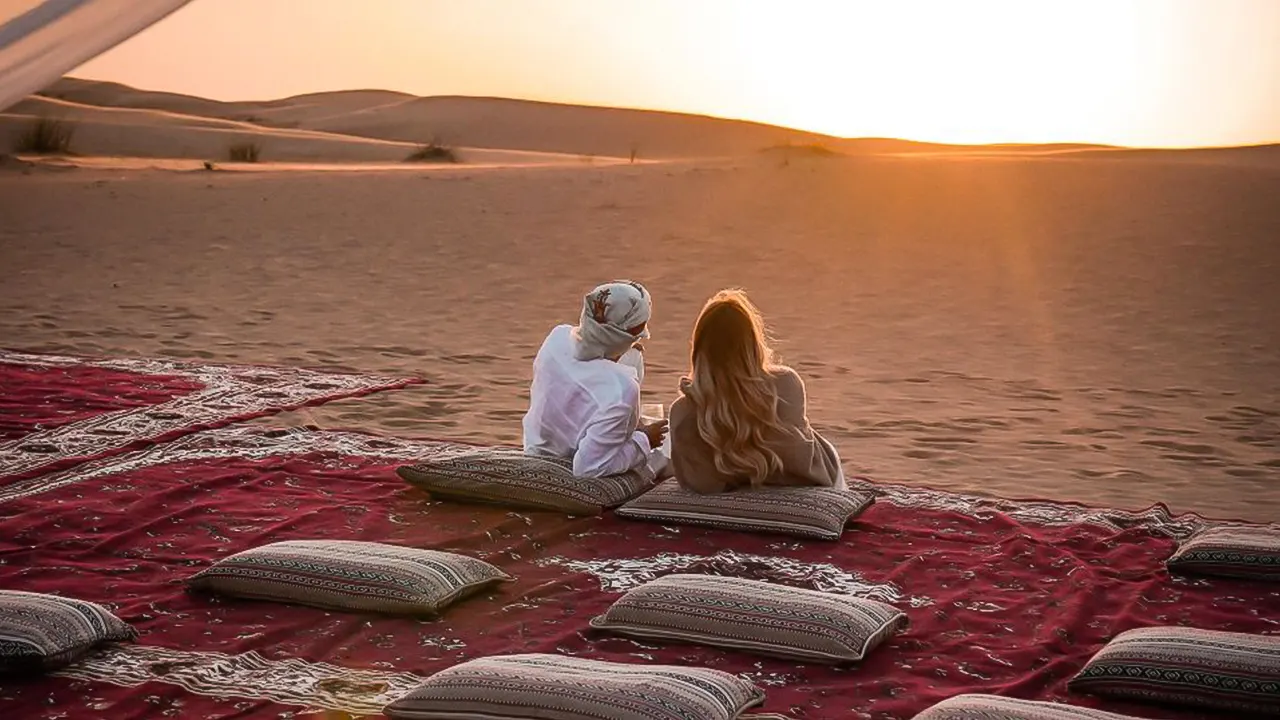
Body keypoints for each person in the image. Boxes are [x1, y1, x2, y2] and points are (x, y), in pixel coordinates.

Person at [668, 289, 845, 493]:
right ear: (753, 343)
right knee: (822, 445)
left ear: (699, 349)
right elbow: (800, 457)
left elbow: (694, 482)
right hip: (795, 479)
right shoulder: (785, 383)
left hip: (728, 486)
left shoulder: (682, 411)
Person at [522, 280, 669, 477]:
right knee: (671, 443)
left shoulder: (557, 336)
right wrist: (644, 440)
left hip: (535, 449)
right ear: (631, 333)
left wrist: (621, 351)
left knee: (633, 358)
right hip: (569, 463)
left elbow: (586, 375)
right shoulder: (621, 389)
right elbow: (588, 468)